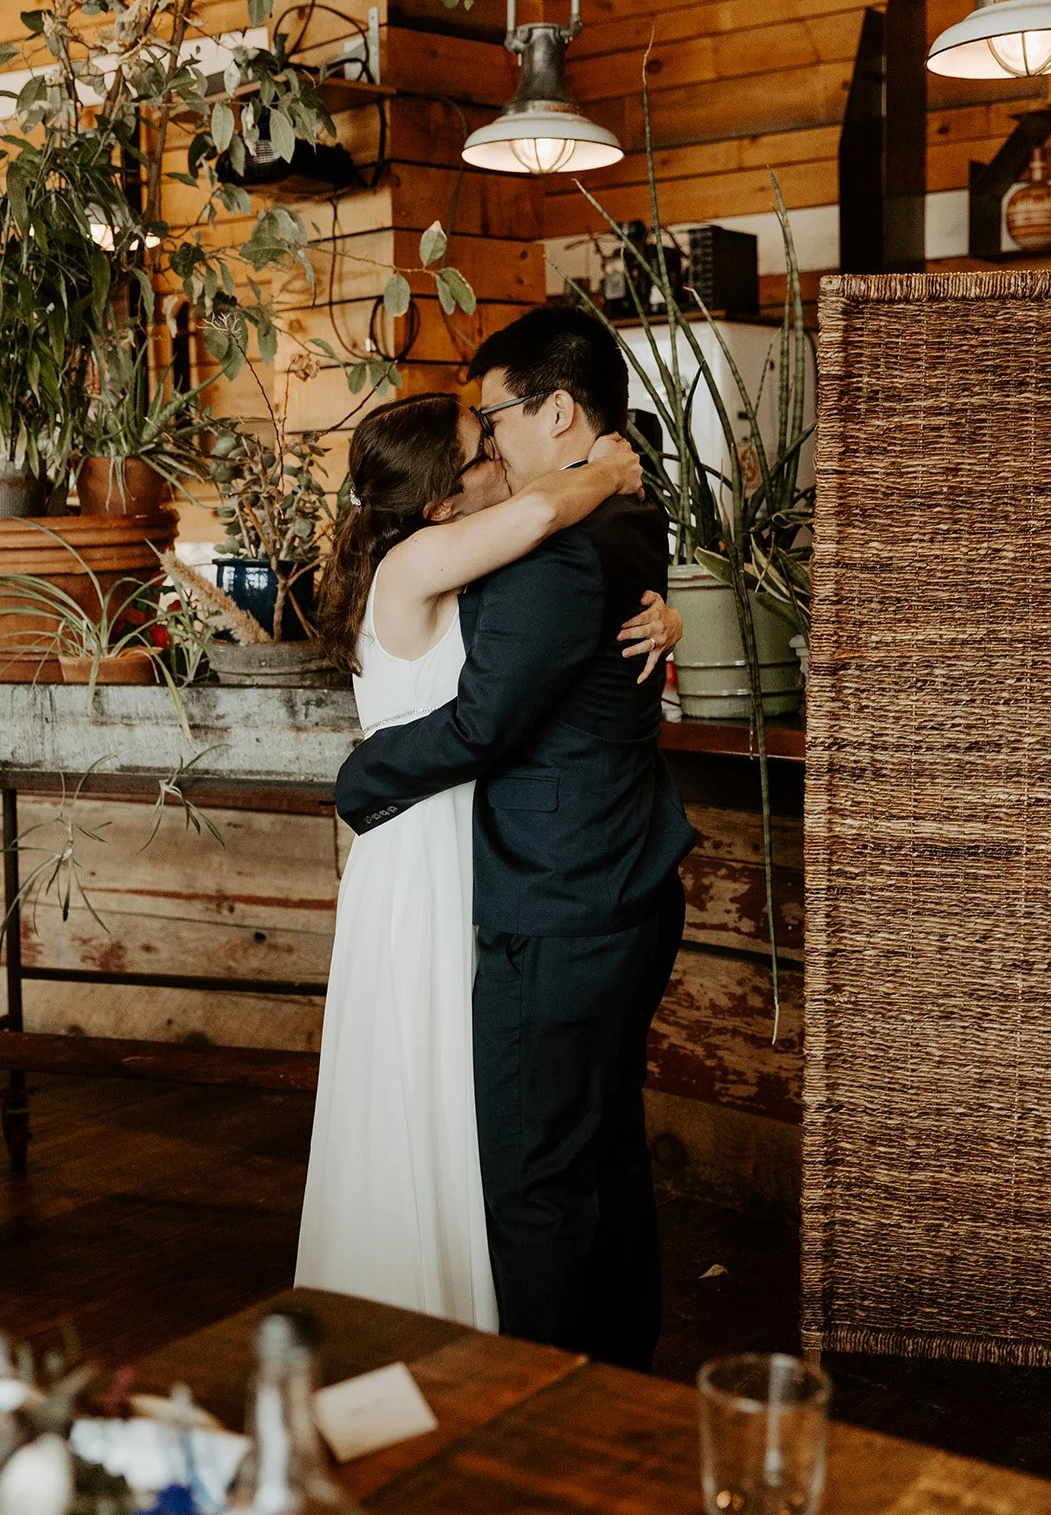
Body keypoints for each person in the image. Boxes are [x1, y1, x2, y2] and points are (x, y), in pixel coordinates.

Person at [333, 307, 696, 1371]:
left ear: (555, 409)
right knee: (600, 1149)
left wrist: (361, 778)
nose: (493, 442)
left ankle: (545, 1406)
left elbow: (486, 723)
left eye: (497, 418)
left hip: (557, 896)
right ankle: (620, 1372)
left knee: (538, 1173)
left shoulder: (553, 548)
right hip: (609, 876)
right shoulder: (619, 510)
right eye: (476, 437)